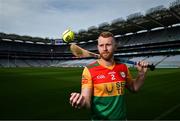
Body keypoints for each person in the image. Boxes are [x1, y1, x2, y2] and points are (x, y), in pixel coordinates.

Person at [69, 31, 148, 120]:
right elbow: (86, 102)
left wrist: (141, 74)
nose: (105, 48)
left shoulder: (123, 68)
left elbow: (134, 88)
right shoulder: (89, 70)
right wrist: (81, 101)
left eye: (108, 45)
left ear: (115, 47)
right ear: (98, 47)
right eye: (101, 45)